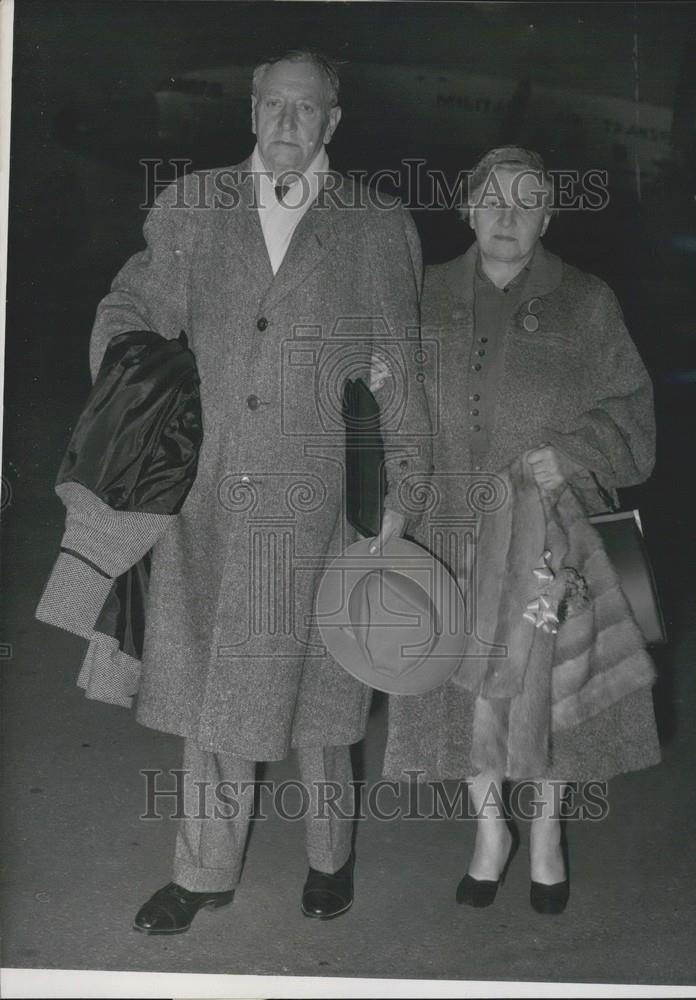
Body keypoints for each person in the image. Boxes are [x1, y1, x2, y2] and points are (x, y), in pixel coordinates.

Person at [79, 50, 430, 934]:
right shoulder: (192, 204)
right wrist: (130, 382)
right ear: (250, 110)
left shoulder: (377, 224)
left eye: (305, 110)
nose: (286, 123)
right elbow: (134, 306)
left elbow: (400, 368)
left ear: (332, 122)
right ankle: (201, 873)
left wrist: (404, 488)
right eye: (273, 104)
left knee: (321, 701)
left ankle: (329, 859)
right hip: (207, 497)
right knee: (211, 692)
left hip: (318, 504)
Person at [383, 146, 660, 914]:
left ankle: (543, 834)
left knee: (547, 689)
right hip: (447, 526)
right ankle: (487, 832)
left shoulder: (586, 302)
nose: (506, 215)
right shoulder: (422, 294)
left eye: (526, 199)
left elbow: (631, 412)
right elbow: (391, 406)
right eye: (492, 199)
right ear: (467, 209)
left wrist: (568, 453)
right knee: (454, 691)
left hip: (543, 531)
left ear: (547, 215)